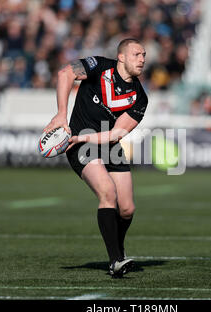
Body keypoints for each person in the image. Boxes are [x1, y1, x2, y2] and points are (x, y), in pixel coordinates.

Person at [44, 38, 148, 278]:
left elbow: (116, 133)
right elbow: (64, 74)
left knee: (127, 209)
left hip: (104, 143)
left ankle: (118, 251)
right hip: (79, 143)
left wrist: (83, 139)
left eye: (144, 55)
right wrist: (61, 115)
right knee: (107, 192)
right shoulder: (99, 66)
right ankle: (115, 261)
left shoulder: (139, 97)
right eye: (136, 54)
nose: (142, 59)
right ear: (121, 57)